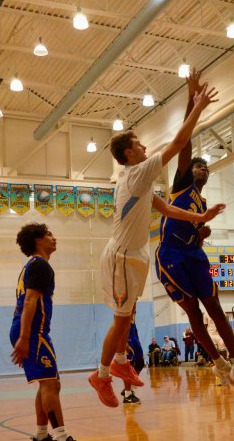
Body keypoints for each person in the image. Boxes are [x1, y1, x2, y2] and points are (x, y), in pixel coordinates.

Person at [89, 80, 223, 408]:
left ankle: (120, 360)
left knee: (129, 313)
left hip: (134, 256)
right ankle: (102, 375)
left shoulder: (143, 182)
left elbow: (167, 209)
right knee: (122, 318)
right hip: (121, 255)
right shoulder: (137, 173)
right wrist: (198, 107)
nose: (144, 146)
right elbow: (179, 142)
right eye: (138, 143)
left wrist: (201, 217)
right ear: (129, 153)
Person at [155, 70, 234, 395]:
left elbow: (194, 235)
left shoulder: (203, 202)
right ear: (189, 170)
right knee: (193, 311)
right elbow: (186, 140)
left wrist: (201, 234)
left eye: (206, 167)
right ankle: (216, 361)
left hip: (194, 254)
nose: (203, 169)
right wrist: (192, 99)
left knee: (215, 308)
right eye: (199, 165)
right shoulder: (182, 182)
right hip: (170, 256)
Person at [10, 223, 95, 441]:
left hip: (31, 331)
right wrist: (25, 337)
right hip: (33, 332)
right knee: (51, 385)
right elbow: (29, 302)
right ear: (38, 240)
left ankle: (41, 438)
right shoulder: (40, 265)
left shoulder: (32, 266)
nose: (54, 238)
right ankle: (62, 439)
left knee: (47, 383)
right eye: (48, 234)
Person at [122, 315, 145, 404]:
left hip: (134, 334)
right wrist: (125, 342)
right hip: (127, 337)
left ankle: (127, 388)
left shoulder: (132, 309)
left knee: (140, 363)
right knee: (129, 365)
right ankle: (127, 395)